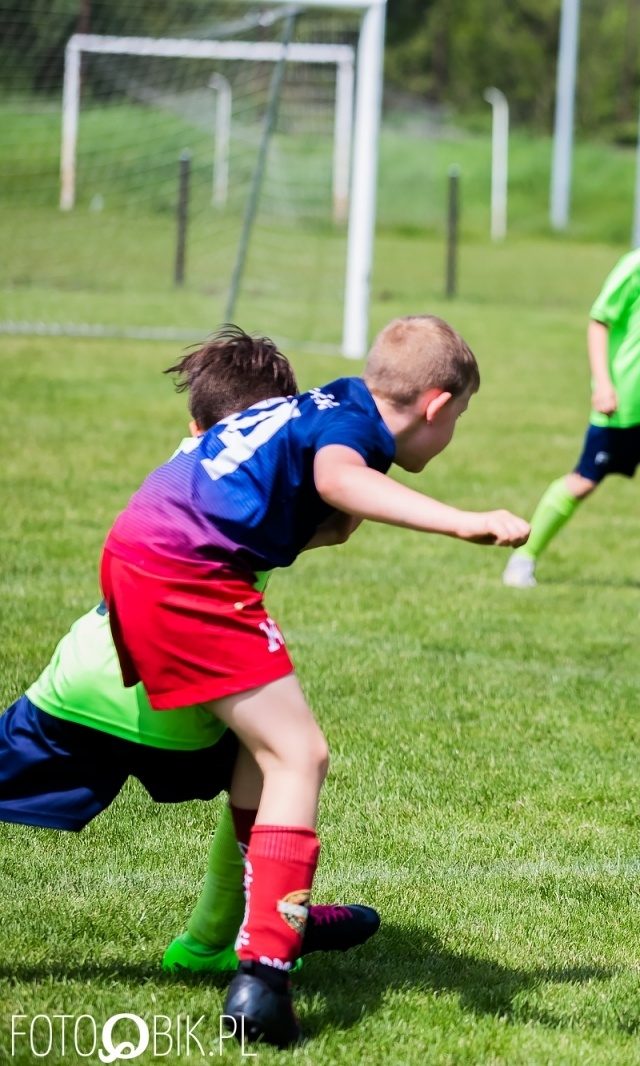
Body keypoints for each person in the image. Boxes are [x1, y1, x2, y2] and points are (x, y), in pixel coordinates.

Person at [99, 316, 529, 1046]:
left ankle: (276, 915)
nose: (452, 432)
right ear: (435, 405)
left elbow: (306, 499)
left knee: (259, 759)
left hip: (138, 548)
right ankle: (263, 975)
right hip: (190, 573)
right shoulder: (352, 436)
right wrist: (463, 521)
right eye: (458, 418)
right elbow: (337, 479)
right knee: (302, 756)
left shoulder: (332, 403)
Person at [0, 329, 380, 975]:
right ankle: (239, 930)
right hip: (187, 715)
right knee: (276, 767)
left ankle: (270, 916)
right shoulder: (269, 488)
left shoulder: (184, 464)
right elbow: (340, 523)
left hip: (84, 683)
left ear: (194, 421)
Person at [503, 170, 640, 598]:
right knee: (583, 481)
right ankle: (522, 558)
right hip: (624, 403)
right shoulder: (635, 267)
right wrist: (603, 383)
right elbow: (599, 321)